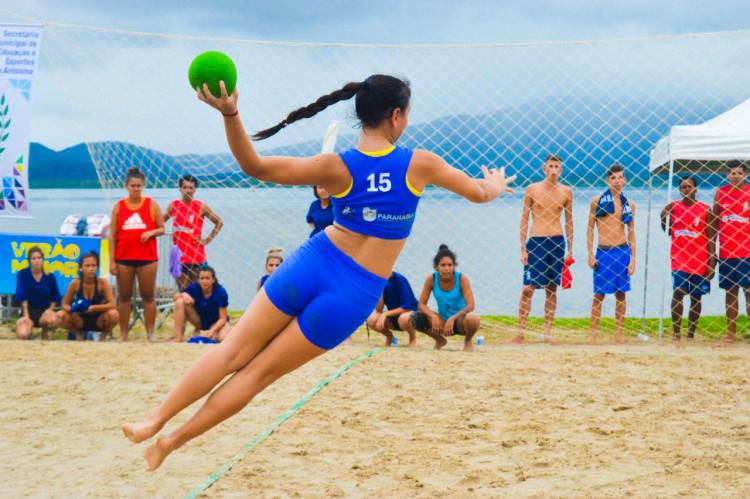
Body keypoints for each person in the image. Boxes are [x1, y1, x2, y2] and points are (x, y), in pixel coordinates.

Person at [122, 74, 514, 470]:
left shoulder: (336, 167)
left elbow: (254, 166)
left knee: (232, 352)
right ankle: (169, 442)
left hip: (315, 262)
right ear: (396, 116)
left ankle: (152, 421)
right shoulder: (420, 164)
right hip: (353, 293)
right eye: (407, 115)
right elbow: (479, 193)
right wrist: (495, 184)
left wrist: (231, 113)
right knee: (255, 376)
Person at [513, 154, 573, 343]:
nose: (554, 169)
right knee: (528, 289)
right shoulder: (532, 189)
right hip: (536, 241)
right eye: (551, 166)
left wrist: (570, 249)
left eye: (557, 166)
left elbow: (569, 221)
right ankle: (520, 331)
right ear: (544, 169)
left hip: (556, 241)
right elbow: (524, 219)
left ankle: (547, 332)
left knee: (552, 288)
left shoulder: (566, 191)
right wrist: (522, 248)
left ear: (561, 170)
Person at [109, 167, 165, 341]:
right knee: (124, 297)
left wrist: (151, 233)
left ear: (143, 186)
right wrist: (112, 261)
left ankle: (150, 334)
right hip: (124, 258)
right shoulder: (119, 206)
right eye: (132, 186)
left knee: (148, 296)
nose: (136, 189)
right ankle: (124, 334)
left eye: (139, 186)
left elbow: (162, 228)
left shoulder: (151, 204)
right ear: (126, 186)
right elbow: (113, 235)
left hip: (147, 258)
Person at [661, 176, 717, 342]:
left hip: (700, 260)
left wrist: (712, 262)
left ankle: (691, 334)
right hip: (679, 259)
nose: (686, 189)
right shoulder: (674, 207)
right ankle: (676, 333)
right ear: (679, 190)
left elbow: (712, 237)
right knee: (678, 293)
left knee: (696, 297)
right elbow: (664, 223)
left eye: (689, 187)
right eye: (683, 187)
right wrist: (665, 221)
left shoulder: (706, 210)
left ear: (696, 189)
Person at [587, 163, 636, 342]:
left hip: (622, 252)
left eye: (620, 177)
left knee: (621, 294)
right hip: (603, 252)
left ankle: (618, 334)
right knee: (598, 295)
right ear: (608, 180)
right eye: (613, 178)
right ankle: (593, 334)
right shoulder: (597, 201)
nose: (617, 181)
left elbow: (631, 232)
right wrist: (590, 254)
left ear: (625, 180)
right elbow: (590, 229)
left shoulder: (629, 204)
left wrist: (633, 260)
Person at [411, 244, 481, 351]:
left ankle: (467, 342)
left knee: (473, 318)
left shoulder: (462, 278)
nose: (447, 268)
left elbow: (471, 305)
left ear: (454, 266)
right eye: (443, 265)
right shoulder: (431, 279)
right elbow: (421, 304)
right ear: (436, 267)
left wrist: (453, 318)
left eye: (450, 265)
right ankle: (439, 340)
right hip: (442, 323)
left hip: (460, 322)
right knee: (415, 317)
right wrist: (433, 317)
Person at [164, 174, 224, 290]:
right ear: (180, 189)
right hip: (178, 257)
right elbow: (161, 221)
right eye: (185, 187)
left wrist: (206, 240)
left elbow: (219, 222)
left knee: (199, 292)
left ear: (195, 189)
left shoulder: (201, 207)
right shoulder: (174, 205)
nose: (188, 190)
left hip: (196, 256)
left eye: (191, 187)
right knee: (184, 292)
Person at [714, 161, 750, 342]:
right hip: (727, 252)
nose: (735, 176)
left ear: (745, 175)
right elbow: (713, 221)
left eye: (739, 173)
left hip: (747, 253)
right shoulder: (721, 193)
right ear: (727, 175)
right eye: (732, 173)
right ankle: (731, 333)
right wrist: (712, 250)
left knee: (749, 292)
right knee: (730, 293)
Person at [59, 251, 119, 341]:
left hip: (99, 319)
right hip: (80, 319)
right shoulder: (75, 283)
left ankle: (103, 335)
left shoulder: (102, 283)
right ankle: (78, 333)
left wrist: (94, 308)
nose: (91, 268)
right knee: (60, 315)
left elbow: (112, 304)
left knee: (114, 314)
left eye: (93, 265)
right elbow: (64, 304)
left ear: (97, 267)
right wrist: (74, 309)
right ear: (81, 268)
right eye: (87, 266)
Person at [171, 266, 231, 342]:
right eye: (202, 278)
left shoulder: (220, 292)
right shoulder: (194, 287)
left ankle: (218, 333)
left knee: (223, 338)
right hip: (199, 321)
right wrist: (183, 294)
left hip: (216, 322)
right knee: (180, 301)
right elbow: (175, 297)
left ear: (213, 280)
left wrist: (212, 330)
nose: (204, 281)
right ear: (198, 280)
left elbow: (223, 318)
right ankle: (178, 337)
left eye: (207, 278)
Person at [14, 246, 62, 340]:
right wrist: (26, 316)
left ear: (43, 260)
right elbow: (22, 297)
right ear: (29, 261)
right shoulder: (23, 274)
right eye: (34, 258)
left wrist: (50, 310)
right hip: (29, 310)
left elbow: (55, 297)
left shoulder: (49, 276)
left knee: (54, 320)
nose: (37, 260)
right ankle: (30, 331)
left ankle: (45, 331)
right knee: (23, 335)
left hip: (45, 310)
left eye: (39, 258)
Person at [366, 270, 421, 347]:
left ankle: (413, 338)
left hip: (408, 315)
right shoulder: (380, 280)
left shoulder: (399, 279)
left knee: (403, 318)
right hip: (393, 316)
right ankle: (390, 337)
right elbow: (379, 310)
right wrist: (380, 289)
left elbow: (408, 307)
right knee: (371, 320)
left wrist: (385, 314)